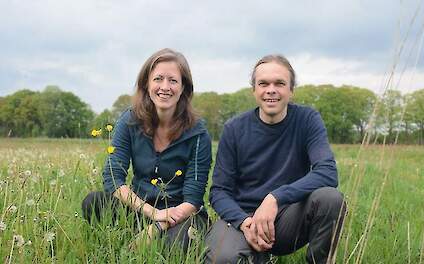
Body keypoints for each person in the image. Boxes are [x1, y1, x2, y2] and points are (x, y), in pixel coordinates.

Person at [205, 54, 346, 264]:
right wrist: (244, 222)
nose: (271, 89)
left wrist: (275, 198)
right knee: (222, 259)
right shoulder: (234, 129)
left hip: (287, 218)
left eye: (280, 83)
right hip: (243, 218)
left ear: (291, 90)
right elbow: (219, 191)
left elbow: (327, 172)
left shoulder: (308, 120)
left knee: (331, 199)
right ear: (254, 90)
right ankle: (253, 253)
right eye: (263, 83)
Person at [82, 48, 212, 251]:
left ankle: (152, 239)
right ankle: (117, 247)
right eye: (158, 79)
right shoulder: (129, 121)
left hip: (182, 215)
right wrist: (152, 213)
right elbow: (113, 179)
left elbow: (193, 200)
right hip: (139, 209)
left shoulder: (198, 133)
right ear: (147, 84)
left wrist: (158, 225)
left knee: (174, 245)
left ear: (184, 87)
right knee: (94, 201)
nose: (164, 87)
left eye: (173, 80)